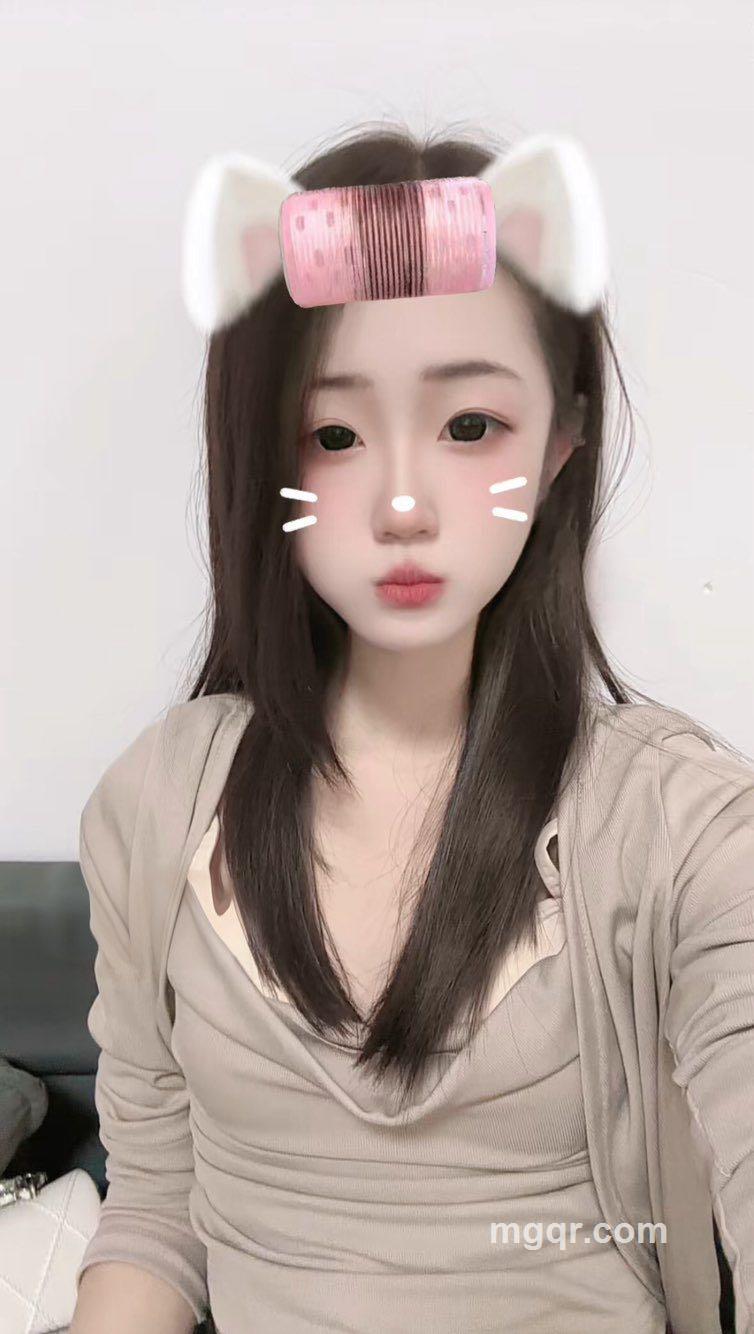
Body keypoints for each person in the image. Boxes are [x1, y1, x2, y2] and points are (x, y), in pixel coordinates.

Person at [70, 122, 752, 1334]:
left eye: (469, 427)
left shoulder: (680, 826)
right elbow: (156, 1212)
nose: (400, 502)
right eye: (333, 436)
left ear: (560, 440)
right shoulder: (157, 804)